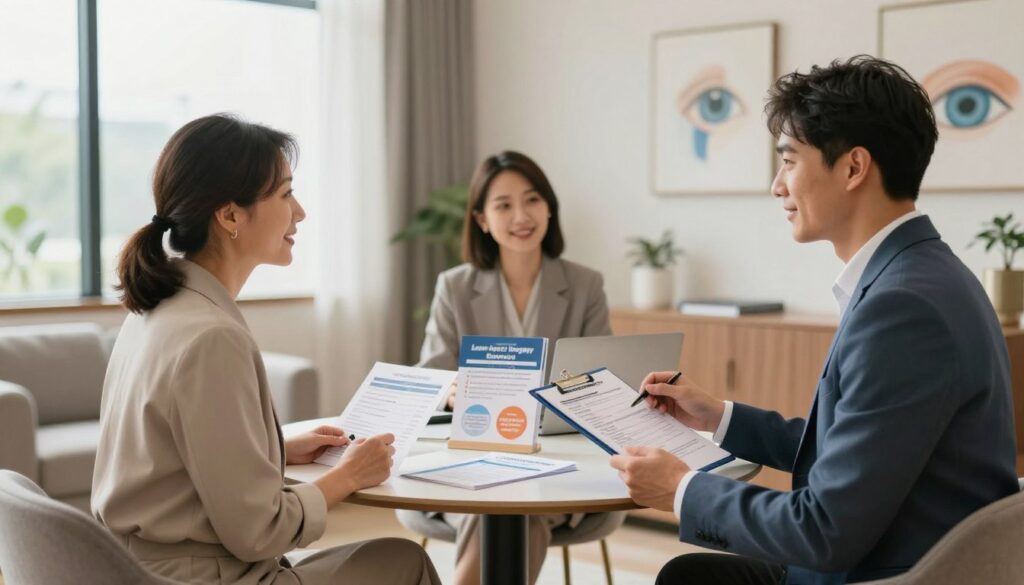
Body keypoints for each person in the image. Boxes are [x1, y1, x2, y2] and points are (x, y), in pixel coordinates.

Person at [610, 55, 1019, 585]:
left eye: (789, 161)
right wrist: (719, 415)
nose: (778, 186)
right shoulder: (924, 274)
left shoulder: (904, 308)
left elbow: (824, 530)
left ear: (853, 167)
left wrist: (683, 489)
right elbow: (861, 442)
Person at [91, 114, 440, 585]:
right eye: (285, 194)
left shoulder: (154, 308)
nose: (299, 212)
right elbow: (258, 532)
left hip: (140, 569)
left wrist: (274, 451)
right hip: (204, 579)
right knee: (405, 560)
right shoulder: (212, 337)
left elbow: (175, 460)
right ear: (230, 215)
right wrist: (348, 476)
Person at [400, 150, 613, 585]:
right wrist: (452, 388)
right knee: (510, 503)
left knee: (516, 502)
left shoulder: (585, 285)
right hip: (474, 452)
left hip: (561, 462)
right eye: (503, 205)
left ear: (549, 208)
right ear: (481, 219)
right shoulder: (455, 287)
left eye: (532, 200)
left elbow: (602, 383)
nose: (521, 215)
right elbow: (434, 375)